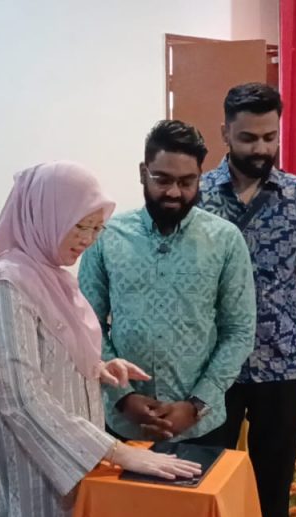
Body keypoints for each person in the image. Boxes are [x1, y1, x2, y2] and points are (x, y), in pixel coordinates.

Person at [0, 161, 201, 517]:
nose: (87, 240)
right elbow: (21, 397)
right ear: (45, 213)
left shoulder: (49, 275)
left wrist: (97, 366)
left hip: (61, 450)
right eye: (79, 227)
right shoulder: (5, 284)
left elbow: (49, 350)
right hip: (19, 455)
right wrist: (118, 451)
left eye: (96, 228)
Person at [198, 83, 296, 517]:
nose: (260, 148)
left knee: (272, 489)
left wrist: (273, 314)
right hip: (213, 368)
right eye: (248, 138)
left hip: (283, 365)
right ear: (225, 133)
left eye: (269, 137)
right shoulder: (198, 195)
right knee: (206, 479)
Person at [78, 120, 256, 444]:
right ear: (143, 172)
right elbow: (88, 324)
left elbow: (239, 331)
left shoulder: (225, 240)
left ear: (200, 177)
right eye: (162, 179)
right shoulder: (106, 236)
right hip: (123, 422)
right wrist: (123, 397)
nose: (174, 192)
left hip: (203, 426)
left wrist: (197, 404)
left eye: (187, 181)